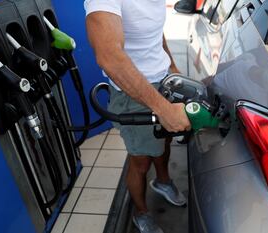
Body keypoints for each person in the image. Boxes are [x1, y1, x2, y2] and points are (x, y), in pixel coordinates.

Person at [84, 0, 191, 233]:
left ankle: (162, 181)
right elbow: (110, 57)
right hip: (134, 93)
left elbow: (153, 31)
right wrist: (163, 109)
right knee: (140, 161)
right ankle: (141, 212)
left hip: (162, 81)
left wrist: (171, 65)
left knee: (164, 141)